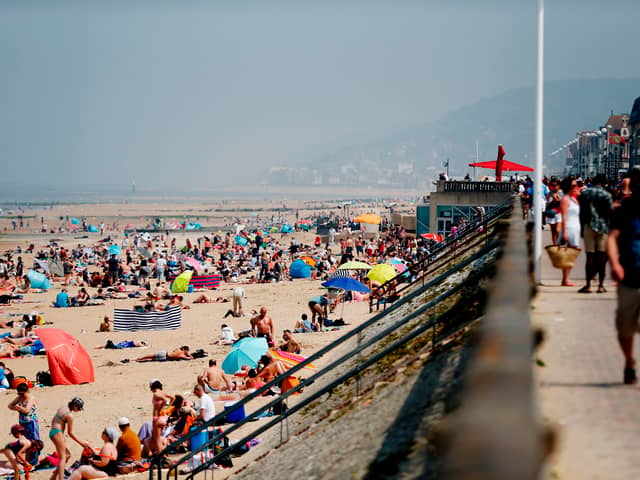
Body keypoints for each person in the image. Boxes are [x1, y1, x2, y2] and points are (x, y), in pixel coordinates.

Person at [607, 166, 640, 384]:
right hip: (629, 275)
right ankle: (629, 361)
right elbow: (611, 238)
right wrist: (615, 264)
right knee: (625, 327)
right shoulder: (625, 210)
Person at [578, 174, 613, 294]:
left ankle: (588, 285)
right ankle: (601, 286)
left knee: (590, 257)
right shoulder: (607, 195)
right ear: (604, 183)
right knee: (601, 257)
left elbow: (582, 212)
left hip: (589, 226)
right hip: (603, 228)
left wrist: (582, 227)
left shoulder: (585, 193)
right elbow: (610, 213)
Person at [49, 398, 89, 480]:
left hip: (53, 432)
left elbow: (56, 421)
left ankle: (53, 476)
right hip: (57, 433)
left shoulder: (63, 407)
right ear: (74, 406)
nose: (78, 410)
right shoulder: (69, 416)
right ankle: (61, 478)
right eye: (78, 408)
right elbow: (70, 433)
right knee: (63, 458)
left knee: (67, 455)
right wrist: (81, 443)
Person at [559, 177, 581, 287]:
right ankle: (565, 279)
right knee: (568, 255)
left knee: (572, 255)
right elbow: (563, 216)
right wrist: (564, 232)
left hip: (575, 227)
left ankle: (566, 278)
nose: (576, 187)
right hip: (568, 228)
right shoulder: (565, 199)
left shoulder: (574, 199)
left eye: (577, 185)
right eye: (573, 186)